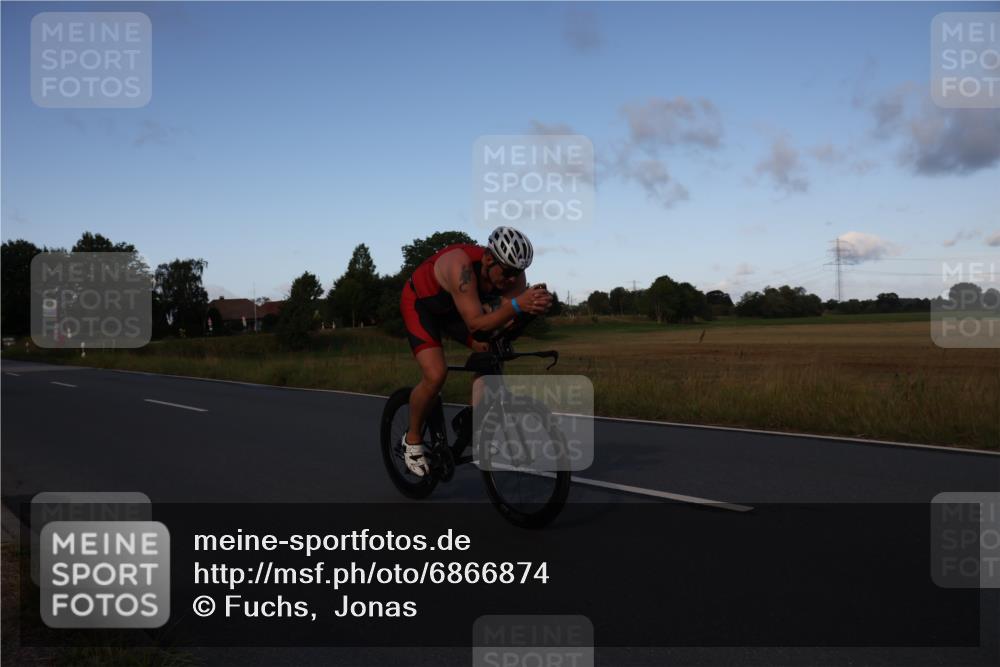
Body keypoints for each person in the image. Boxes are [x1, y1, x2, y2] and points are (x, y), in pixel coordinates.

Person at [399, 226, 553, 476]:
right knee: (436, 375)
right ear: (489, 259)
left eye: (519, 273)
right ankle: (412, 439)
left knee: (493, 349)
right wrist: (516, 304)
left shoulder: (514, 279)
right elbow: (475, 324)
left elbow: (500, 327)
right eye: (509, 272)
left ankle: (472, 417)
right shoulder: (460, 267)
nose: (513, 280)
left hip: (456, 311)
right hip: (422, 305)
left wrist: (529, 312)